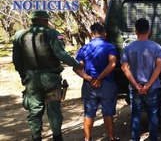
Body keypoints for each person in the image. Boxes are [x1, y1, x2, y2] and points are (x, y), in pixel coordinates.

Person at [12, 10, 81, 141]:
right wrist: (77, 64)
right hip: (51, 79)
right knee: (54, 110)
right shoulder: (52, 34)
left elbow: (17, 59)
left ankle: (36, 137)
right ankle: (57, 137)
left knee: (35, 110)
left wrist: (23, 75)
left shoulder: (19, 35)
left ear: (32, 20)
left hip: (31, 79)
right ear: (45, 20)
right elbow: (61, 54)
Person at [73, 23, 119, 141]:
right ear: (105, 33)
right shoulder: (110, 47)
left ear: (92, 34)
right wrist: (99, 78)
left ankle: (87, 138)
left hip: (89, 86)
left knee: (89, 113)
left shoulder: (84, 48)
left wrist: (90, 79)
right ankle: (111, 138)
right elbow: (112, 64)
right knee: (108, 112)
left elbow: (77, 67)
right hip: (107, 84)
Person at [121, 18, 161, 141]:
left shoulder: (128, 48)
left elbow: (124, 68)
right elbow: (159, 67)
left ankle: (135, 139)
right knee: (152, 114)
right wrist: (148, 85)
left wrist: (136, 85)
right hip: (152, 86)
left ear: (135, 31)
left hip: (135, 87)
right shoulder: (157, 47)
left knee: (135, 115)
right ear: (149, 31)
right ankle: (153, 139)